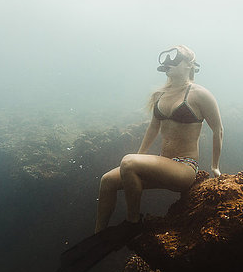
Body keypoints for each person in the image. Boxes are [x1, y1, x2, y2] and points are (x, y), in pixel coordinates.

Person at [94, 45, 223, 233]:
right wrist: (138, 157)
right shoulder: (160, 95)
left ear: (189, 64)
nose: (169, 65)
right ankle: (99, 234)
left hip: (184, 167)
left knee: (128, 162)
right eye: (167, 63)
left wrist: (215, 167)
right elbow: (153, 127)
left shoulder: (200, 94)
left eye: (174, 60)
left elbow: (218, 129)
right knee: (107, 181)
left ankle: (133, 223)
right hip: (164, 162)